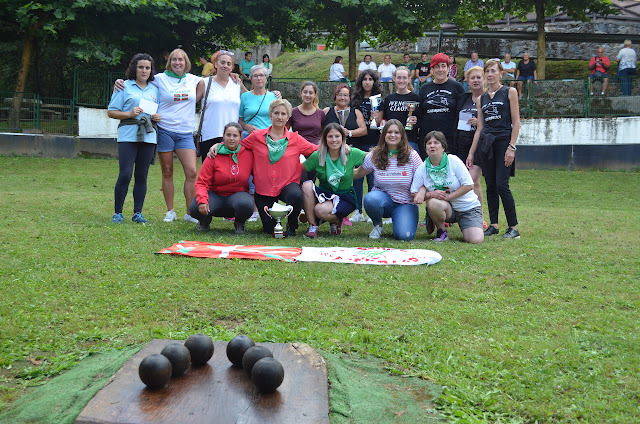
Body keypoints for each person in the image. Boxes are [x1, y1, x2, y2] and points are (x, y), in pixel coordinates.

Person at [208, 99, 318, 236]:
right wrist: (219, 145)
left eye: (283, 114)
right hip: (264, 187)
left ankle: (292, 225)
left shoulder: (296, 139)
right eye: (276, 113)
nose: (279, 117)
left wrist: (339, 147)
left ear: (288, 117)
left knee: (296, 194)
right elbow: (236, 144)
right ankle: (273, 225)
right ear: (270, 115)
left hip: (287, 184)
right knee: (269, 230)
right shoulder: (257, 136)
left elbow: (316, 151)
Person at [467, 60, 521, 239]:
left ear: (500, 73)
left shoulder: (509, 92)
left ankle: (513, 227)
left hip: (504, 142)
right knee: (490, 185)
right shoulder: (481, 98)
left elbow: (516, 122)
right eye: (487, 72)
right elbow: (480, 128)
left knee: (501, 184)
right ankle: (494, 224)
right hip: (486, 144)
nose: (490, 74)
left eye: (493, 71)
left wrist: (511, 148)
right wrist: (472, 153)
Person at [107, 53, 161, 224]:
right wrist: (129, 114)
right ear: (134, 69)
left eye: (147, 68)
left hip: (148, 136)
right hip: (128, 134)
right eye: (141, 67)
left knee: (142, 175)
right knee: (125, 173)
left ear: (151, 70)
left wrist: (157, 117)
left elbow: (156, 111)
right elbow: (111, 111)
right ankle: (118, 212)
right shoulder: (124, 86)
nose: (144, 71)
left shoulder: (155, 89)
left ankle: (137, 212)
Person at [354, 119, 423, 241]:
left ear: (402, 135)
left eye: (396, 132)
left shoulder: (412, 155)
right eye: (389, 132)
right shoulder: (375, 155)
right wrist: (339, 167)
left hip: (405, 203)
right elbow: (357, 174)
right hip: (383, 201)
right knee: (371, 198)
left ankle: (402, 218)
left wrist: (421, 193)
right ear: (384, 135)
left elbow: (424, 178)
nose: (392, 135)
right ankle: (377, 225)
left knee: (404, 236)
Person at [411, 131, 484, 244]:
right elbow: (413, 193)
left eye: (436, 143)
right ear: (425, 148)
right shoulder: (422, 168)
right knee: (433, 203)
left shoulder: (453, 161)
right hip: (445, 208)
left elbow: (469, 185)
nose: (432, 146)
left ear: (443, 147)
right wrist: (429, 194)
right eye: (429, 143)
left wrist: (448, 197)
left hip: (467, 208)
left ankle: (436, 216)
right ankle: (441, 231)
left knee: (475, 240)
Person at [301, 123, 367, 237]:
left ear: (342, 138)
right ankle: (313, 226)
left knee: (319, 210)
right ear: (325, 139)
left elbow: (372, 157)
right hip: (324, 194)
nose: (334, 140)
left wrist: (394, 153)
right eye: (330, 136)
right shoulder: (318, 156)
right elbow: (298, 169)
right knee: (307, 185)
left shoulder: (352, 153)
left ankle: (336, 220)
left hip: (344, 196)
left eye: (337, 136)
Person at [190, 122, 254, 234]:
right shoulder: (213, 155)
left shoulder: (248, 154)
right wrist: (202, 201)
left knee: (246, 205)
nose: (231, 139)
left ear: (241, 137)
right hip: (215, 195)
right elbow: (201, 182)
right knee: (195, 207)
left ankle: (239, 223)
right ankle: (204, 221)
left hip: (238, 195)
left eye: (235, 136)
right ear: (223, 136)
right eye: (228, 135)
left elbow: (258, 176)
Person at [453, 66, 487, 229]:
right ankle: (458, 214)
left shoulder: (489, 98)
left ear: (484, 79)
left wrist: (480, 122)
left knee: (472, 180)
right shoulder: (463, 98)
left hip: (479, 146)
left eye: (478, 77)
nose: (475, 80)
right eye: (472, 78)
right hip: (461, 143)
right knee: (460, 181)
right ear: (467, 80)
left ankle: (478, 217)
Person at [200, 50, 247, 163]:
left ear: (232, 67)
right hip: (209, 134)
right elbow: (189, 102)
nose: (225, 66)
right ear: (216, 64)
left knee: (230, 175)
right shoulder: (204, 82)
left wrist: (273, 94)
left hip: (231, 136)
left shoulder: (236, 83)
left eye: (228, 64)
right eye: (222, 62)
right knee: (209, 175)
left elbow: (251, 97)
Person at [348, 70, 383, 222]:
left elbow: (384, 120)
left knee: (372, 178)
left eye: (370, 79)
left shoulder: (380, 100)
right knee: (357, 178)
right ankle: (358, 211)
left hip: (374, 142)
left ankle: (370, 211)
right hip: (357, 143)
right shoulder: (354, 100)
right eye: (365, 79)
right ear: (360, 82)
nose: (367, 82)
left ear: (375, 82)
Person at [418, 52, 465, 159]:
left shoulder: (457, 87)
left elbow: (462, 111)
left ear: (448, 68)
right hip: (429, 138)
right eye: (437, 66)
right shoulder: (425, 88)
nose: (440, 70)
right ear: (432, 70)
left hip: (449, 137)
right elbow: (420, 113)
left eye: (443, 66)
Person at [287, 81, 326, 184]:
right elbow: (285, 132)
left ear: (315, 95)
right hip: (298, 154)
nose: (307, 95)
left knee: (312, 183)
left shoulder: (320, 114)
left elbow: (324, 134)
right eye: (305, 92)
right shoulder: (293, 112)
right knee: (301, 182)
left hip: (315, 153)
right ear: (301, 93)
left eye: (310, 93)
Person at [376, 67, 421, 151]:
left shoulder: (416, 98)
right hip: (391, 141)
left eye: (404, 78)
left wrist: (416, 121)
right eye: (399, 78)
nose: (401, 80)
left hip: (409, 140)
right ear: (394, 79)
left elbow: (421, 119)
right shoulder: (389, 99)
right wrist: (382, 121)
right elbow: (385, 118)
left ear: (409, 79)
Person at [239, 65, 278, 136]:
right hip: (249, 137)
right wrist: (246, 126)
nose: (259, 78)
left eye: (261, 75)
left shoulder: (274, 97)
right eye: (255, 76)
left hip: (268, 137)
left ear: (266, 78)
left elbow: (279, 119)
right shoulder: (244, 97)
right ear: (250, 79)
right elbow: (239, 119)